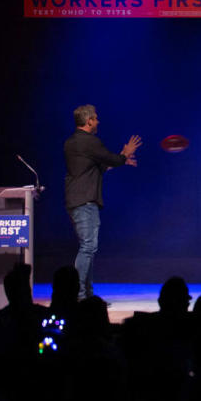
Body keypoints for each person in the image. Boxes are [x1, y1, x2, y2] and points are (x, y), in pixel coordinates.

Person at [64, 105, 141, 300]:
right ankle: (80, 296)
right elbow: (110, 160)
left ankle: (87, 295)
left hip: (77, 199)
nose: (98, 122)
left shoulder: (73, 142)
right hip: (84, 201)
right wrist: (124, 155)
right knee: (88, 246)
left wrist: (121, 159)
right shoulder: (89, 141)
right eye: (96, 119)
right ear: (89, 120)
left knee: (88, 247)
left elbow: (94, 167)